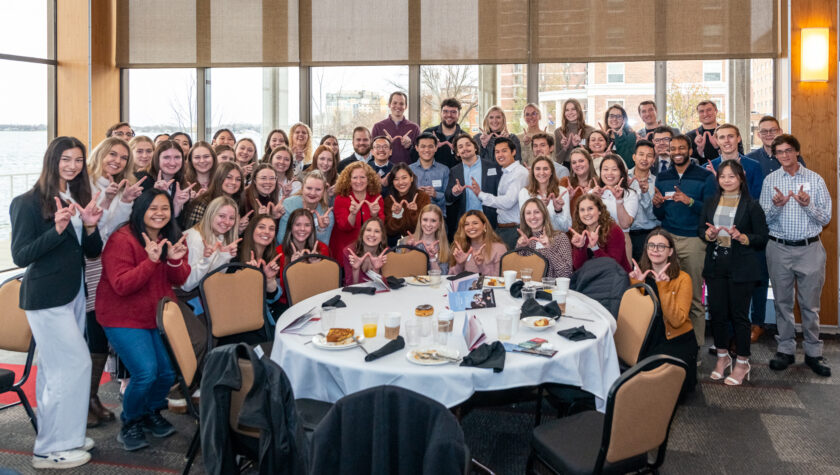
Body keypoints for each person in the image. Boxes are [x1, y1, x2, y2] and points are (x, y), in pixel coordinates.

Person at [11, 136, 103, 469]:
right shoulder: (27, 202)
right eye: (66, 159)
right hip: (46, 297)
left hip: (75, 292)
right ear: (52, 160)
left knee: (55, 371)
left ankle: (67, 436)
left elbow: (92, 253)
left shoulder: (77, 196)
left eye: (78, 160)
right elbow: (21, 255)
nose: (73, 165)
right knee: (76, 364)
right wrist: (58, 229)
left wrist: (91, 226)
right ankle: (50, 450)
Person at [96, 189, 188, 451]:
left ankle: (149, 412)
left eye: (165, 208)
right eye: (153, 208)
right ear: (140, 210)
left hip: (155, 315)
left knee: (167, 372)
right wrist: (150, 261)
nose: (160, 214)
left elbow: (179, 278)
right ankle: (130, 422)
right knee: (146, 373)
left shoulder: (170, 235)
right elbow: (122, 285)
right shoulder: (122, 239)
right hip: (121, 316)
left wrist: (173, 261)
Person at [84, 137, 146, 428]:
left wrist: (124, 200)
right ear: (100, 153)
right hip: (88, 263)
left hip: (108, 263)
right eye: (113, 154)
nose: (117, 161)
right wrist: (109, 200)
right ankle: (85, 398)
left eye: (123, 158)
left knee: (98, 329)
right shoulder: (86, 184)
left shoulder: (123, 187)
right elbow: (96, 227)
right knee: (87, 329)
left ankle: (90, 396)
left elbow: (117, 229)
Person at [761, 134, 832, 377]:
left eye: (788, 151)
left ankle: (814, 352)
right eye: (779, 152)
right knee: (782, 303)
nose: (784, 156)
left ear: (797, 152)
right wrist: (776, 206)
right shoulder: (770, 180)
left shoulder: (815, 179)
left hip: (809, 248)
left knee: (810, 306)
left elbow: (826, 218)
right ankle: (785, 349)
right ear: (775, 155)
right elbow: (763, 219)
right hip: (778, 248)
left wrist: (807, 204)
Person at [700, 160, 768, 385]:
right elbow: (702, 229)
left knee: (739, 316)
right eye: (722, 176)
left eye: (731, 176)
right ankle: (722, 359)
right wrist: (709, 234)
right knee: (718, 314)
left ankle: (742, 362)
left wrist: (742, 237)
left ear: (741, 178)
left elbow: (762, 237)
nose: (727, 180)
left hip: (741, 266)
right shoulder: (710, 202)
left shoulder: (751, 205)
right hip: (715, 265)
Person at [653, 134, 717, 347]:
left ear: (690, 151)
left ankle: (695, 349)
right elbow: (660, 215)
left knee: (694, 299)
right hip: (668, 241)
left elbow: (711, 211)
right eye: (673, 149)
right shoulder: (662, 177)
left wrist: (690, 202)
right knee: (665, 293)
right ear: (668, 152)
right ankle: (669, 345)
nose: (677, 152)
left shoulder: (705, 177)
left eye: (682, 148)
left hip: (693, 241)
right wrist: (658, 204)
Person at [745, 116, 804, 342]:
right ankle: (757, 322)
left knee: (785, 284)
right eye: (764, 131)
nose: (769, 134)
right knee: (760, 279)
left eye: (773, 130)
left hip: (786, 229)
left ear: (779, 131)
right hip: (760, 230)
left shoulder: (795, 160)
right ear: (758, 135)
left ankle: (786, 329)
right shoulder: (750, 161)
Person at [628, 228, 697, 394]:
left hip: (675, 340)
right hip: (650, 336)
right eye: (651, 245)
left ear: (670, 251)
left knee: (667, 393)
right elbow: (634, 315)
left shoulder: (683, 279)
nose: (655, 250)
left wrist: (663, 288)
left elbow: (677, 320)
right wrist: (635, 284)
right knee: (639, 388)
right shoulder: (641, 275)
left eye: (661, 246)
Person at [472, 137, 529, 249]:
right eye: (497, 152)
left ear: (513, 152)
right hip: (503, 228)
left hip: (513, 230)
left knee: (509, 264)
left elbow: (508, 202)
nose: (500, 155)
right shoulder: (506, 171)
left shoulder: (519, 173)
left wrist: (481, 194)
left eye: (504, 151)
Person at [445, 134, 502, 238]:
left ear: (475, 147)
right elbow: (448, 196)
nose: (465, 148)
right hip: (466, 222)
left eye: (468, 145)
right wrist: (454, 192)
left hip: (489, 220)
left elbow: (500, 192)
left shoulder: (492, 166)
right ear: (457, 152)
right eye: (460, 147)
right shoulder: (455, 171)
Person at [180, 195, 241, 293]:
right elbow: (187, 285)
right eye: (222, 216)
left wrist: (224, 257)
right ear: (210, 214)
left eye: (231, 218)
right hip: (182, 298)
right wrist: (206, 261)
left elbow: (213, 279)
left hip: (205, 294)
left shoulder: (221, 238)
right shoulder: (195, 238)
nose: (227, 222)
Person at [331, 162, 386, 258]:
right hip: (346, 253)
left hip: (370, 252)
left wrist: (374, 215)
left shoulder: (376, 198)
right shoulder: (341, 199)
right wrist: (352, 214)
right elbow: (344, 227)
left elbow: (380, 227)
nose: (359, 181)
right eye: (355, 177)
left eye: (363, 177)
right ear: (349, 180)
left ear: (369, 179)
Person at [275, 208, 331, 303]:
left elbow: (329, 285)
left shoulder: (322, 249)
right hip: (289, 304)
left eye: (307, 225)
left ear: (312, 228)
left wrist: (316, 268)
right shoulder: (279, 252)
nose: (302, 229)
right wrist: (292, 269)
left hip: (317, 300)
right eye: (297, 225)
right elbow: (281, 293)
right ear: (290, 227)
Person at [569, 193, 631, 272]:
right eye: (582, 210)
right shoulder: (580, 232)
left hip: (616, 280)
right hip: (591, 280)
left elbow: (613, 265)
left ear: (600, 211)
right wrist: (580, 248)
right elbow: (579, 267)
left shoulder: (614, 230)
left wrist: (595, 248)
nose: (586, 213)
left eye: (590, 208)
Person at [238, 214, 283, 318]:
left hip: (265, 313)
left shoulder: (272, 257)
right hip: (243, 317)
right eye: (261, 227)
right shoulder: (237, 255)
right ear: (251, 230)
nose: (267, 232)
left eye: (271, 229)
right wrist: (246, 276)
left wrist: (269, 280)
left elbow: (273, 298)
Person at [517, 198, 573, 278]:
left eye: (537, 212)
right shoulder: (523, 241)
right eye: (528, 213)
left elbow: (566, 274)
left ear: (544, 214)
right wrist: (520, 247)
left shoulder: (560, 237)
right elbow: (516, 271)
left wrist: (549, 249)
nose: (532, 217)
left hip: (552, 289)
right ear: (524, 217)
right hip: (528, 288)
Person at [596, 154, 638, 260]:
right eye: (605, 169)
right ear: (600, 172)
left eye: (614, 169)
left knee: (622, 275)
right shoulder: (593, 193)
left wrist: (619, 200)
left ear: (621, 173)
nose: (609, 173)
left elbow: (625, 224)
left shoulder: (630, 194)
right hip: (597, 242)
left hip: (622, 241)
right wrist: (594, 200)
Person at [181, 161, 245, 230]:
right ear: (219, 178)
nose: (233, 182)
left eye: (238, 179)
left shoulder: (238, 202)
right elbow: (191, 232)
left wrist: (238, 230)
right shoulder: (203, 203)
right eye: (229, 177)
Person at [138, 140, 193, 218]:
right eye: (166, 157)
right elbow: (137, 216)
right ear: (157, 159)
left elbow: (177, 225)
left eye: (177, 157)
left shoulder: (182, 184)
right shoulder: (142, 180)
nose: (172, 163)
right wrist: (153, 195)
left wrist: (177, 205)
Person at [278, 170, 334, 245]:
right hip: (287, 252)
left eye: (318, 190)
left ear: (324, 191)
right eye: (309, 188)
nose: (313, 193)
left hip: (312, 255)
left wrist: (321, 229)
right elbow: (281, 239)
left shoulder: (327, 214)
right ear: (302, 188)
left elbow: (323, 245)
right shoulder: (288, 204)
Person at [708, 124, 764, 199]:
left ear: (738, 138)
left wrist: (741, 182)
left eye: (730, 136)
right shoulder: (708, 169)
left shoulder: (754, 166)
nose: (726, 141)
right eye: (722, 137)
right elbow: (706, 200)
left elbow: (757, 198)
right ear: (717, 141)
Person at [518, 156, 571, 232]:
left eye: (545, 169)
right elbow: (525, 225)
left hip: (557, 238)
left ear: (552, 171)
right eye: (538, 169)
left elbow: (566, 227)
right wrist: (540, 209)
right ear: (533, 172)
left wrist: (558, 211)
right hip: (534, 239)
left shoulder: (562, 192)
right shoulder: (524, 193)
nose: (542, 172)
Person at [628, 140, 661, 261]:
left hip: (648, 235)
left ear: (653, 160)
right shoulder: (622, 178)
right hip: (625, 234)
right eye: (641, 154)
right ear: (634, 157)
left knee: (648, 276)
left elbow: (654, 216)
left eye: (649, 156)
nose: (644, 158)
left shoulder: (658, 182)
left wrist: (645, 194)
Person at [384, 164, 430, 244]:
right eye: (396, 179)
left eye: (404, 178)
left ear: (411, 178)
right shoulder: (389, 200)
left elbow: (426, 227)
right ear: (392, 182)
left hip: (420, 242)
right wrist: (397, 215)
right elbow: (389, 231)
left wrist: (414, 213)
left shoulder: (422, 197)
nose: (401, 182)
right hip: (395, 244)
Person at [450, 210, 507, 275]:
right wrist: (460, 264)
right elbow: (449, 279)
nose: (471, 227)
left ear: (484, 226)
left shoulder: (499, 248)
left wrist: (481, 266)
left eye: (475, 223)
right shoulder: (461, 248)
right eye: (466, 224)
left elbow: (501, 279)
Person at [371, 91, 421, 165]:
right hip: (385, 172)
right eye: (394, 103)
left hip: (408, 171)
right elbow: (372, 155)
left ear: (406, 107)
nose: (398, 106)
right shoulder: (378, 127)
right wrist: (385, 143)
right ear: (389, 105)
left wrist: (410, 147)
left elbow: (420, 155)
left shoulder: (414, 128)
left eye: (401, 104)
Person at [402, 204, 451, 274]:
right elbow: (401, 271)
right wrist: (408, 249)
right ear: (420, 221)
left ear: (439, 224)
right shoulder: (405, 241)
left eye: (433, 221)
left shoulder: (443, 247)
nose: (428, 224)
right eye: (425, 220)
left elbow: (442, 276)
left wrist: (432, 258)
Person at [418, 97, 465, 168]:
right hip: (432, 177)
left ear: (458, 115)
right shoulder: (428, 133)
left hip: (456, 177)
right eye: (445, 111)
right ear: (441, 113)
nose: (449, 115)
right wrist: (431, 145)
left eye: (453, 112)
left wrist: (457, 151)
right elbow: (415, 156)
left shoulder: (464, 137)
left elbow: (470, 161)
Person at [409, 133, 450, 215]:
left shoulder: (444, 170)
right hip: (413, 215)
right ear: (417, 148)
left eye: (430, 146)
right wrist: (415, 193)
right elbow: (402, 195)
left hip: (438, 217)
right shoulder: (408, 170)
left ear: (436, 148)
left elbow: (449, 199)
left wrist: (435, 194)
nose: (427, 150)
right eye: (423, 146)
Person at [343, 217, 388, 286]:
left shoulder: (386, 253)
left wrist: (376, 270)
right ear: (362, 233)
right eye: (368, 230)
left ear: (382, 237)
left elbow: (387, 285)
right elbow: (350, 286)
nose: (372, 234)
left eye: (377, 231)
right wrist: (355, 269)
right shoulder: (349, 252)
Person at [554, 98, 595, 167]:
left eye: (573, 109)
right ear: (564, 113)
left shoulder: (590, 130)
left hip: (585, 167)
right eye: (567, 110)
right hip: (566, 168)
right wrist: (565, 148)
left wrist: (578, 145)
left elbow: (594, 157)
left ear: (579, 111)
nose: (570, 112)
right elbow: (558, 160)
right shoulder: (558, 132)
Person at [601, 104, 635, 170]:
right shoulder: (602, 136)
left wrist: (620, 138)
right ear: (607, 119)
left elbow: (629, 163)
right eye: (611, 116)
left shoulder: (631, 136)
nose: (614, 119)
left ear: (624, 120)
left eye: (618, 116)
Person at [518, 103, 546, 167]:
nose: (530, 117)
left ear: (539, 116)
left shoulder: (550, 136)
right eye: (527, 114)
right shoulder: (518, 138)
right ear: (524, 118)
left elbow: (554, 161)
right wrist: (525, 145)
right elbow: (519, 163)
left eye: (534, 113)